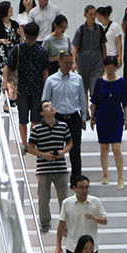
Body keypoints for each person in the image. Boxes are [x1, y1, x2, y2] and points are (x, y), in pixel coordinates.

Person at [41, 47, 86, 184]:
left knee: (75, 150)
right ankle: (55, 177)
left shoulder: (77, 79)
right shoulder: (51, 80)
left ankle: (76, 180)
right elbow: (45, 100)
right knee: (55, 148)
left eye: (70, 62)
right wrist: (46, 118)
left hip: (73, 117)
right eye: (66, 62)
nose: (68, 65)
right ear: (59, 62)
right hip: (57, 118)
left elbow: (82, 99)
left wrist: (84, 117)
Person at [26, 101, 72, 234]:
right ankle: (45, 223)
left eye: (51, 105)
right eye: (46, 106)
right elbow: (30, 147)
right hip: (43, 168)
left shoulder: (63, 126)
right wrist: (43, 155)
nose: (51, 107)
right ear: (41, 113)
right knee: (44, 198)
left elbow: (69, 142)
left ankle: (65, 226)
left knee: (64, 199)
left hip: (60, 167)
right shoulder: (37, 129)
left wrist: (63, 151)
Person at [4, 20, 49, 147]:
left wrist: (47, 90)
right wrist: (4, 82)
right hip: (22, 89)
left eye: (32, 38)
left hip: (36, 90)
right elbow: (7, 66)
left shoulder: (41, 51)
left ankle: (30, 143)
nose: (29, 40)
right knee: (23, 119)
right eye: (28, 37)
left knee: (35, 119)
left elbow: (45, 72)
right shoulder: (18, 49)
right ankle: (25, 143)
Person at [90, 55, 127, 187]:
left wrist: (126, 118)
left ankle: (120, 177)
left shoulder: (121, 82)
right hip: (102, 116)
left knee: (116, 148)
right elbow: (94, 101)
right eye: (107, 67)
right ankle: (105, 174)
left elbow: (125, 101)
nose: (110, 70)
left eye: (112, 67)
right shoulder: (100, 82)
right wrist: (92, 117)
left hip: (116, 116)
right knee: (104, 147)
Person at [55, 175, 107, 253]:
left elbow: (105, 220)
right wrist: (58, 245)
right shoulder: (67, 203)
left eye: (87, 187)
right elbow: (61, 225)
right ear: (74, 188)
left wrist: (94, 217)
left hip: (91, 249)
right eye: (81, 187)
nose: (84, 190)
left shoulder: (96, 201)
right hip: (73, 247)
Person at [72, 4, 107, 101]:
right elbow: (75, 47)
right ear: (85, 15)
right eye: (90, 14)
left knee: (96, 90)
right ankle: (85, 112)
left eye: (94, 14)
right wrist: (74, 62)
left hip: (97, 64)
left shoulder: (99, 29)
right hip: (83, 64)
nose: (93, 17)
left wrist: (105, 61)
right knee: (83, 90)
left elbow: (103, 46)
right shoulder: (81, 30)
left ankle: (95, 113)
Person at [0, 0, 18, 80]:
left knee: (14, 78)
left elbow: (19, 40)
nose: (12, 9)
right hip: (2, 55)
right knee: (1, 78)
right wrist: (1, 41)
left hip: (14, 54)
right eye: (10, 8)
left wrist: (22, 34)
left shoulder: (15, 24)